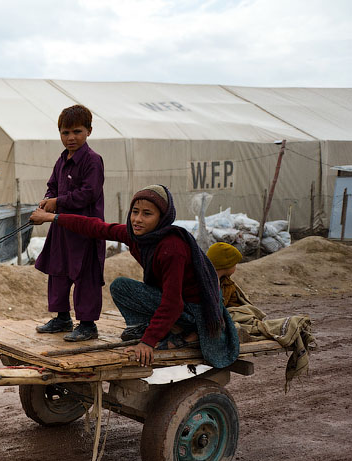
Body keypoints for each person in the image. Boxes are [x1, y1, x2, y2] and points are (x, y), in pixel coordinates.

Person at [30, 184, 239, 369]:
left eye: (147, 214)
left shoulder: (171, 248)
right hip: (178, 303)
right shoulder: (138, 236)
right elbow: (95, 227)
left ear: (162, 218)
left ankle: (189, 332)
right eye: (135, 212)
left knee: (144, 299)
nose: (137, 219)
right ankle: (168, 328)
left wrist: (148, 342)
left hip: (196, 310)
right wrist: (52, 217)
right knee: (120, 286)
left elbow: (172, 303)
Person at [34, 104, 105, 342]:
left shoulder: (93, 161)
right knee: (58, 271)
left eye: (77, 131)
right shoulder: (62, 160)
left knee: (86, 275)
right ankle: (62, 317)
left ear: (89, 131)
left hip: (85, 230)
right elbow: (52, 186)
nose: (71, 137)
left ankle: (87, 324)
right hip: (61, 228)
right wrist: (46, 201)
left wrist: (58, 202)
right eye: (65, 133)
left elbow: (88, 193)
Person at [206, 242, 249, 308]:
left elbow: (234, 303)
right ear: (227, 265)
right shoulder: (207, 285)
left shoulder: (227, 283)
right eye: (235, 264)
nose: (235, 267)